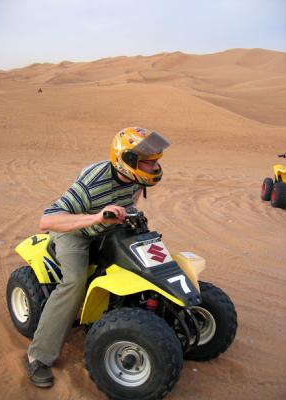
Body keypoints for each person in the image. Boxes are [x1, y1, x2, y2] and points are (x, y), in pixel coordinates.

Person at [25, 126, 170, 387]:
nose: (154, 167)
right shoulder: (92, 183)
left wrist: (125, 214)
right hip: (76, 232)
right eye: (149, 162)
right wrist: (95, 217)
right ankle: (39, 356)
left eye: (155, 161)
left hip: (108, 225)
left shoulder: (136, 179)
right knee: (74, 282)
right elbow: (47, 219)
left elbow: (132, 198)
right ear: (127, 161)